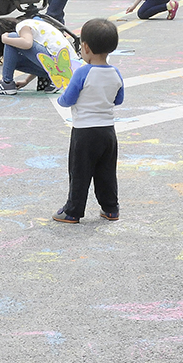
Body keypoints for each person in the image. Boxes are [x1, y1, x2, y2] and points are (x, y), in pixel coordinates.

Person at [50, 18, 124, 224]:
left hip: (84, 132)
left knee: (80, 172)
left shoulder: (83, 72)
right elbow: (119, 99)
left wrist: (60, 97)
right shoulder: (115, 72)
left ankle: (73, 210)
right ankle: (111, 208)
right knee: (107, 172)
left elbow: (68, 99)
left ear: (85, 47)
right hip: (108, 131)